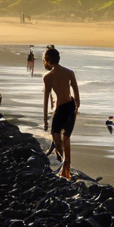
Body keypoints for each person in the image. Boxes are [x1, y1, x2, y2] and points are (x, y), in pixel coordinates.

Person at [43, 47, 79, 181]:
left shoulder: (69, 73)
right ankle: (65, 164)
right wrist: (45, 119)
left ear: (47, 60)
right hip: (62, 108)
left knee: (65, 138)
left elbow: (76, 93)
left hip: (69, 107)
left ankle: (66, 169)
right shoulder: (48, 77)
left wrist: (76, 109)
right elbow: (46, 99)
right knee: (57, 139)